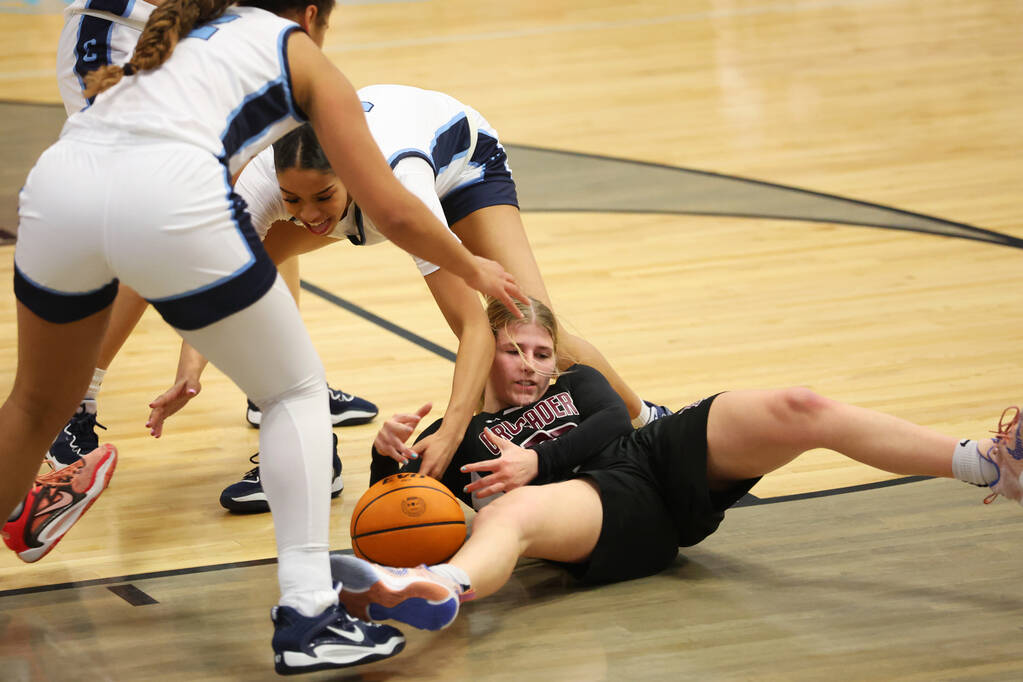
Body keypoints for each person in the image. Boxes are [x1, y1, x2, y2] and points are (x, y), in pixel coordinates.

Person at [2, 0, 524, 673]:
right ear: (312, 12)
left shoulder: (171, 37)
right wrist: (471, 264)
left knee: (34, 403)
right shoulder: (297, 49)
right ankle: (310, 615)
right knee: (294, 390)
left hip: (57, 188)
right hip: (164, 197)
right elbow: (393, 207)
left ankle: (40, 477)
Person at [327, 296, 1023, 632]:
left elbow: (609, 421)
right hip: (601, 509)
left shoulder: (582, 386)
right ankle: (441, 589)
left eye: (542, 353)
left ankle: (986, 463)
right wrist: (387, 456)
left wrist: (534, 461)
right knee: (509, 511)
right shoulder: (465, 436)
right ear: (482, 355)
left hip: (649, 458)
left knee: (796, 404)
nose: (531, 366)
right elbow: (404, 511)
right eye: (513, 351)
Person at [152, 85, 668, 508]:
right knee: (251, 270)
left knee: (529, 325)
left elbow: (474, 328)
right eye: (293, 200)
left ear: (349, 176)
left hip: (461, 167)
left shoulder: (401, 188)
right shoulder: (264, 179)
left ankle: (648, 420)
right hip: (371, 188)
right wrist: (191, 369)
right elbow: (217, 278)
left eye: (322, 197)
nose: (308, 215)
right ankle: (309, 449)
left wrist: (450, 431)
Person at [47, 0, 377, 481]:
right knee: (162, 227)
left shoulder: (263, 48)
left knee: (274, 199)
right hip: (122, 31)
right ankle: (73, 402)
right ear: (309, 18)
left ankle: (282, 381)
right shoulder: (268, 42)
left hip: (196, 38)